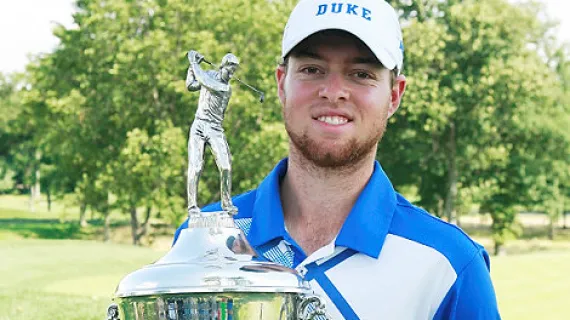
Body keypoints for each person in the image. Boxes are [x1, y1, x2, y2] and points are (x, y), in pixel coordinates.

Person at [175, 0, 501, 318]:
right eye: (312, 69)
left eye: (361, 74)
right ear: (281, 84)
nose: (333, 91)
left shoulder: (449, 265)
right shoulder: (204, 235)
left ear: (394, 95)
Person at [185, 51, 239, 215]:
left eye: (233, 71)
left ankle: (227, 203)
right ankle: (192, 206)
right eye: (229, 69)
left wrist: (194, 62)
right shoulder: (208, 74)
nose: (231, 74)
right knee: (195, 166)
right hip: (199, 125)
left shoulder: (225, 88)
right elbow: (191, 85)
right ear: (222, 66)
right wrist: (190, 68)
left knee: (226, 166)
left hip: (215, 128)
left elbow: (203, 81)